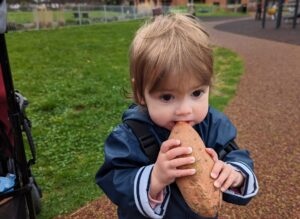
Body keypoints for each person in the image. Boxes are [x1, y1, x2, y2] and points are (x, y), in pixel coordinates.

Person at [95, 14, 259, 219]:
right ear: (140, 94)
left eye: (196, 93)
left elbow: (236, 154)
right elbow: (114, 179)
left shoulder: (213, 125)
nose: (184, 110)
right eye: (167, 96)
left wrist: (235, 174)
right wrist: (154, 178)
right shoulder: (129, 136)